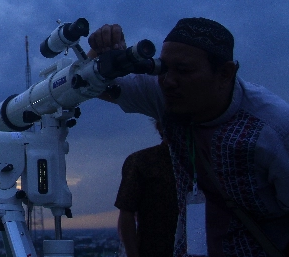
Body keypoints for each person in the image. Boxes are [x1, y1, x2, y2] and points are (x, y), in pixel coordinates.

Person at [88, 18, 289, 257]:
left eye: (184, 71)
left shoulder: (273, 128)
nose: (168, 81)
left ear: (226, 73)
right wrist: (101, 55)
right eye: (163, 68)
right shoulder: (167, 93)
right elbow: (92, 84)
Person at [115, 119, 178, 257]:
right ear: (159, 125)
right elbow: (126, 214)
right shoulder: (141, 162)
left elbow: (126, 213)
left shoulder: (141, 161)